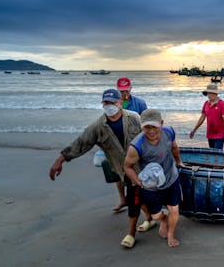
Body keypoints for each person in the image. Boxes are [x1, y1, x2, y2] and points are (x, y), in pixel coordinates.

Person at [48, 89, 153, 248]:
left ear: (120, 102)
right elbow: (81, 143)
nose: (109, 106)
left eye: (113, 102)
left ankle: (131, 233)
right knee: (136, 196)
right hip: (122, 169)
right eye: (106, 103)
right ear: (102, 104)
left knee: (134, 198)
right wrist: (60, 159)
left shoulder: (134, 118)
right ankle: (150, 219)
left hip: (141, 167)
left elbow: (150, 136)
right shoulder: (97, 127)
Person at [124, 109, 184, 247]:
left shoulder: (169, 132)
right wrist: (139, 182)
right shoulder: (136, 146)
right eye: (147, 127)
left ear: (161, 124)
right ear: (142, 126)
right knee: (156, 215)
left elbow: (174, 148)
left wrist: (179, 161)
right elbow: (127, 166)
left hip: (171, 177)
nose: (151, 131)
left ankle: (171, 235)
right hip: (151, 185)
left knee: (174, 209)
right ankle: (163, 220)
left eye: (154, 127)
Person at [111, 77, 148, 212]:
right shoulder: (113, 104)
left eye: (126, 90)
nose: (124, 93)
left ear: (130, 88)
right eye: (121, 91)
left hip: (136, 145)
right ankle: (123, 200)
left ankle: (143, 206)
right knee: (118, 175)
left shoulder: (140, 103)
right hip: (118, 145)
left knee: (135, 176)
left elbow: (146, 123)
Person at [189, 84, 224, 149]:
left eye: (210, 93)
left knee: (217, 155)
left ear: (215, 94)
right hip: (210, 134)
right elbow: (202, 118)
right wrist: (194, 130)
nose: (208, 95)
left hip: (219, 135)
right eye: (208, 93)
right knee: (212, 154)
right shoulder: (206, 104)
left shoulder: (222, 104)